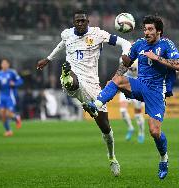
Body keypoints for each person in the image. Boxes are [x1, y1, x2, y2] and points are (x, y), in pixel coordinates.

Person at [36, 10, 131, 177]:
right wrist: (49, 59)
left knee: (106, 129)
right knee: (71, 81)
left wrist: (125, 54)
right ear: (74, 22)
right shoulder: (67, 34)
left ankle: (112, 158)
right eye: (77, 21)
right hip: (75, 76)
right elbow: (62, 44)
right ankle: (67, 77)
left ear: (88, 22)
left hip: (93, 84)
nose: (80, 23)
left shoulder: (98, 34)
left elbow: (125, 42)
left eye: (83, 21)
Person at [87, 15, 179, 179]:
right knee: (117, 80)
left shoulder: (167, 44)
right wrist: (116, 76)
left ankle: (163, 158)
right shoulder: (139, 44)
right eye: (145, 29)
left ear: (159, 31)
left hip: (156, 92)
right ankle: (95, 104)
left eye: (150, 29)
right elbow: (126, 63)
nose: (146, 32)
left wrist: (157, 58)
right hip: (139, 85)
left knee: (154, 132)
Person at [0, 59, 23, 136]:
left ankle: (16, 117)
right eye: (3, 63)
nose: (4, 65)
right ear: (1, 65)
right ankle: (8, 131)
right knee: (2, 114)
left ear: (8, 65)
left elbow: (20, 81)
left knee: (9, 114)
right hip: (1, 96)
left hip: (10, 96)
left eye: (6, 63)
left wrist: (14, 83)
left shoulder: (12, 72)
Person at [119, 60, 145, 143]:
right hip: (125, 86)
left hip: (136, 87)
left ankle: (141, 132)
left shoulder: (141, 58)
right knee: (122, 111)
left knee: (137, 114)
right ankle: (130, 128)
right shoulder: (123, 58)